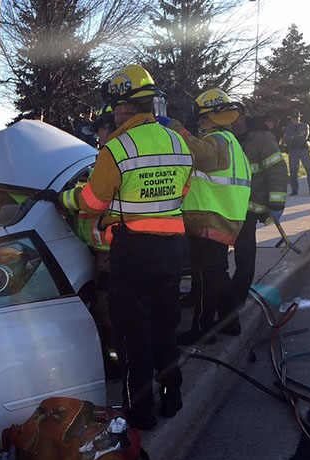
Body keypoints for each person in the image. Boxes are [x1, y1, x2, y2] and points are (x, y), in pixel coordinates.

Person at [71, 65, 193, 429]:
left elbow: (91, 203)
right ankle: (172, 398)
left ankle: (140, 414)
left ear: (125, 107)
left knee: (133, 335)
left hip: (132, 251)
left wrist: (68, 198)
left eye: (114, 107)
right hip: (172, 250)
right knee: (165, 326)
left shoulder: (116, 149)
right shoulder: (177, 141)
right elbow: (183, 188)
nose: (112, 114)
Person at [162, 89, 251, 348]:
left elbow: (199, 154)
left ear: (213, 117)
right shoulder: (230, 141)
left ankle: (202, 329)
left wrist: (174, 126)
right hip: (224, 217)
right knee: (218, 274)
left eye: (201, 118)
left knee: (204, 277)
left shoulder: (218, 141)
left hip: (211, 219)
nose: (198, 123)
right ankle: (230, 322)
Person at [58, 103, 119, 378]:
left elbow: (92, 201)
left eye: (100, 131)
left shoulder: (111, 158)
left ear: (109, 128)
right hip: (105, 249)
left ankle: (116, 362)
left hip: (109, 251)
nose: (98, 137)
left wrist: (61, 198)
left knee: (108, 311)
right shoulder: (116, 157)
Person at [219, 113, 288, 334]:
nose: (231, 122)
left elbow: (277, 171)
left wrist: (276, 204)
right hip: (225, 208)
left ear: (243, 117)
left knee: (245, 255)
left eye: (235, 118)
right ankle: (222, 296)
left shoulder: (262, 139)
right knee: (216, 260)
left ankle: (237, 297)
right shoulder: (225, 136)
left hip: (249, 208)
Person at [283, 110, 310, 195]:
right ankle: (294, 190)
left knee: (309, 169)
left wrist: (293, 137)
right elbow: (286, 139)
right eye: (293, 118)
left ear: (299, 118)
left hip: (304, 149)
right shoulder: (288, 128)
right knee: (293, 171)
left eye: (296, 118)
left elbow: (304, 137)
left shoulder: (304, 126)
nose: (295, 120)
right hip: (293, 150)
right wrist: (297, 136)